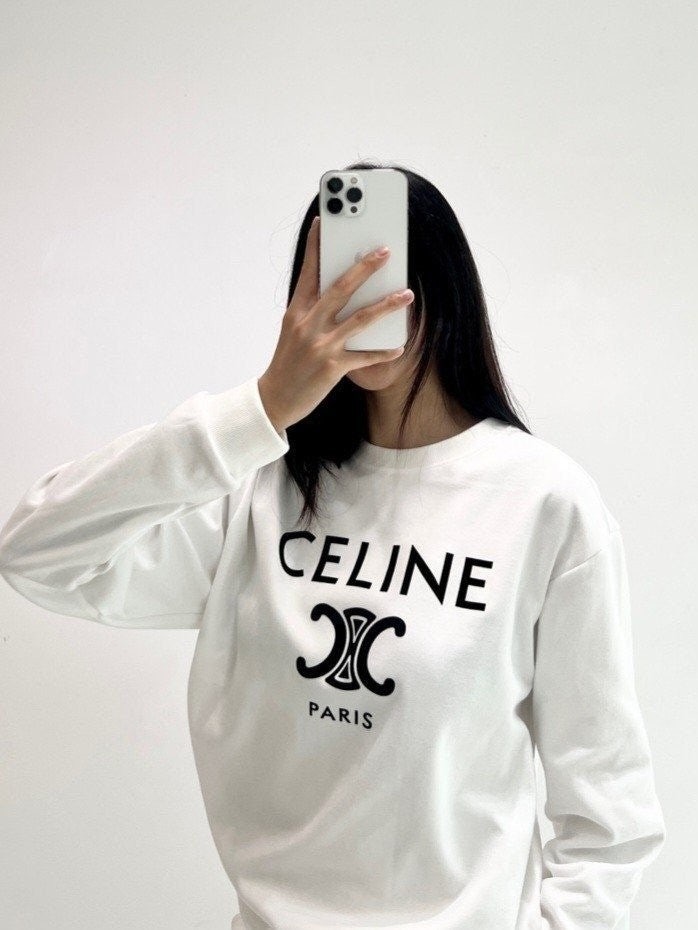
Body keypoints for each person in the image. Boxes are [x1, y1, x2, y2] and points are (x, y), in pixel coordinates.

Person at [0, 162, 666, 930]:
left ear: (443, 286)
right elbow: (37, 551)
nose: (361, 301)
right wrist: (259, 410)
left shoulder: (544, 504)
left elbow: (608, 814)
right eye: (333, 280)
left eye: (384, 273)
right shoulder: (259, 491)